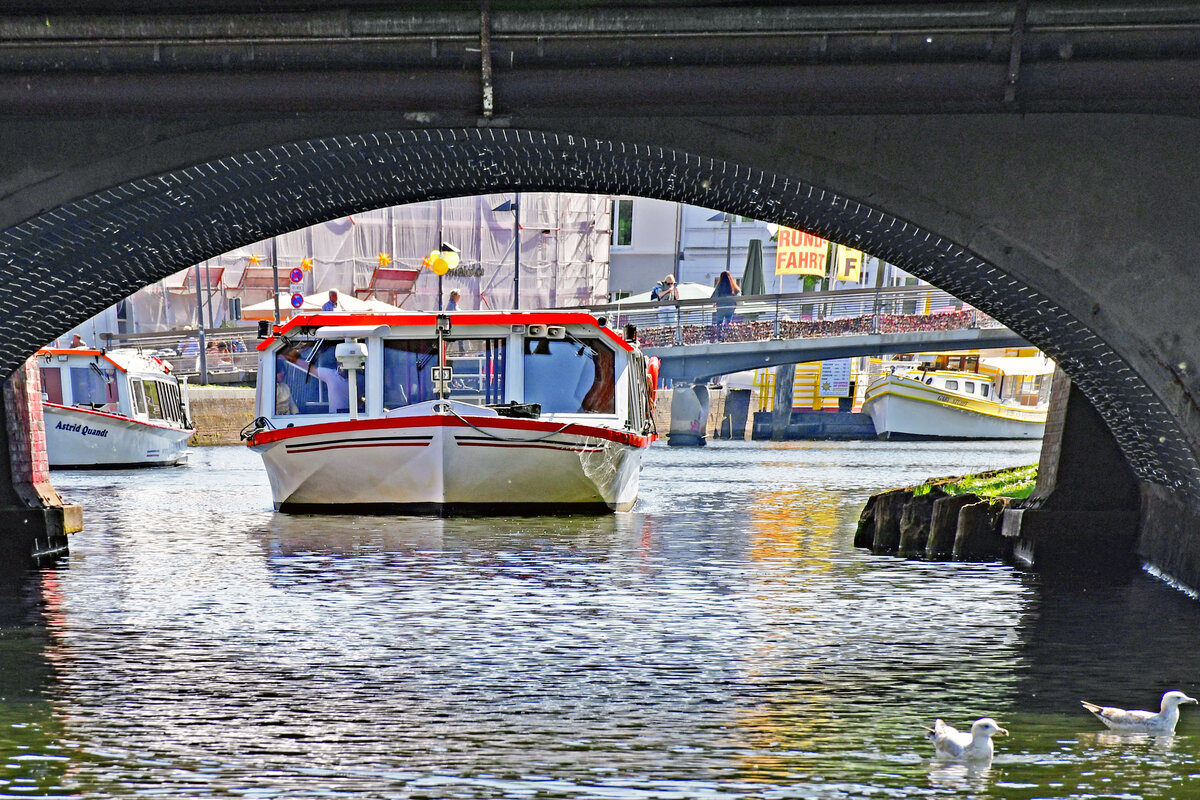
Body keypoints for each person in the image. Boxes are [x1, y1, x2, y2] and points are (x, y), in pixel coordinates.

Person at [281, 345, 350, 414]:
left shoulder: (359, 378)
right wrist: (291, 356)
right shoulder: (331, 375)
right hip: (334, 418)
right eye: (339, 360)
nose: (341, 364)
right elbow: (309, 368)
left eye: (345, 360)